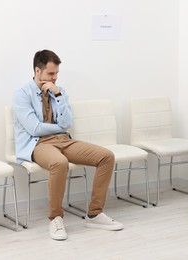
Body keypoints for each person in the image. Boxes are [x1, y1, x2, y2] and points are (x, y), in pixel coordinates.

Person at [13, 49, 123, 240]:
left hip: (64, 140)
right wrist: (58, 127)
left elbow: (67, 122)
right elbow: (35, 129)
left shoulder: (59, 91)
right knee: (60, 163)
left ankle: (95, 214)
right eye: (50, 74)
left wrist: (58, 96)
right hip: (38, 144)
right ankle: (55, 218)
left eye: (56, 74)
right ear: (37, 71)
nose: (54, 78)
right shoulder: (21, 95)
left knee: (106, 156)